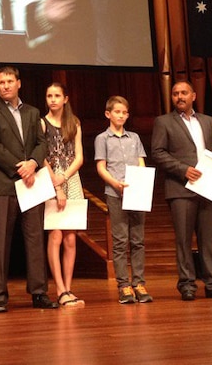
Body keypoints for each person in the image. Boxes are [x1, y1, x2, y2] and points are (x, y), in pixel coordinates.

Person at [0, 66, 56, 312]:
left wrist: (33, 163)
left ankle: (39, 292)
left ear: (19, 83)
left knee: (35, 239)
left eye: (9, 81)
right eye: (1, 82)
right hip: (3, 181)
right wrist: (18, 167)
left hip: (32, 182)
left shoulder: (33, 113)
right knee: (0, 240)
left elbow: (42, 143)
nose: (5, 86)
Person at [150, 80, 212, 301]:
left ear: (193, 96)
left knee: (209, 239)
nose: (179, 97)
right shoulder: (163, 122)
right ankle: (187, 285)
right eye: (176, 93)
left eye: (184, 93)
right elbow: (158, 152)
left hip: (208, 188)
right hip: (180, 188)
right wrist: (182, 169)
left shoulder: (208, 121)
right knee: (184, 240)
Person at [95, 95, 151, 304]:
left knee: (138, 240)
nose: (121, 115)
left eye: (124, 112)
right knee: (120, 241)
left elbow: (141, 162)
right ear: (108, 114)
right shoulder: (102, 138)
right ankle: (124, 285)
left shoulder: (134, 138)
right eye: (117, 112)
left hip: (136, 192)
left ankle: (139, 282)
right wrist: (116, 184)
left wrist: (141, 183)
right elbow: (101, 166)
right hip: (115, 193)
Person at [42, 82, 86, 308]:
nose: (53, 99)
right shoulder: (42, 123)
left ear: (65, 98)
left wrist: (65, 177)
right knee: (56, 236)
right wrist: (55, 183)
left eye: (57, 95)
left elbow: (79, 157)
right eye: (49, 95)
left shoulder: (74, 122)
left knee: (70, 237)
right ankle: (59, 289)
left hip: (71, 178)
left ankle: (68, 289)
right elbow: (41, 156)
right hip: (50, 179)